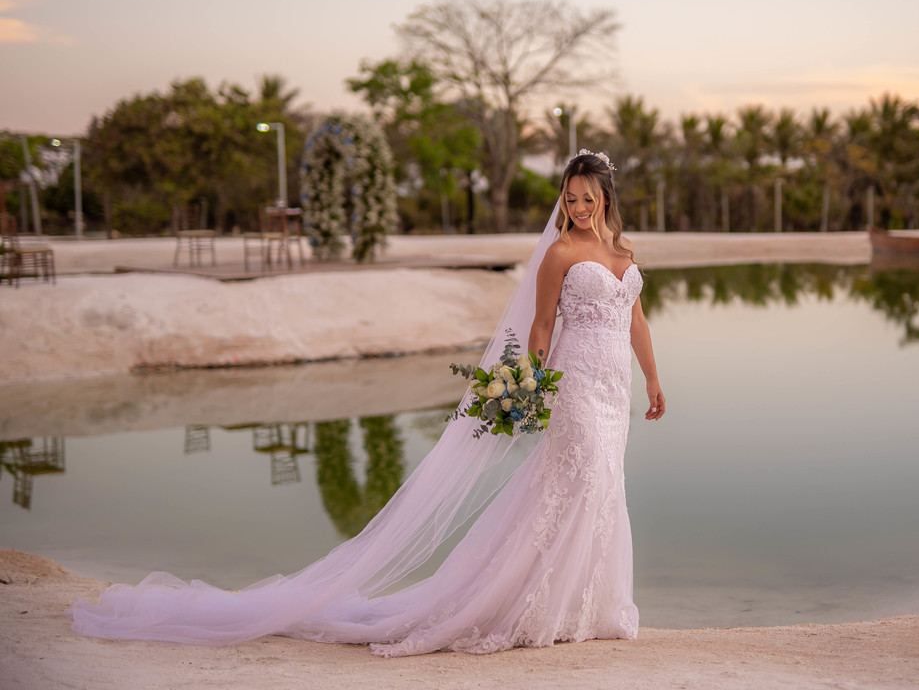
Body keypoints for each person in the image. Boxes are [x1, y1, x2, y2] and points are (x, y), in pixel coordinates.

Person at [71, 149, 665, 657]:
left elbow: (635, 320)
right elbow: (540, 326)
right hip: (576, 387)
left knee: (602, 483)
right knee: (582, 479)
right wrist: (533, 384)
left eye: (588, 199)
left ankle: (581, 607)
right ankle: (537, 607)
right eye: (570, 198)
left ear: (607, 199)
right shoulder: (559, 255)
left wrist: (655, 381)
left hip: (617, 387)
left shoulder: (625, 254)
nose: (578, 209)